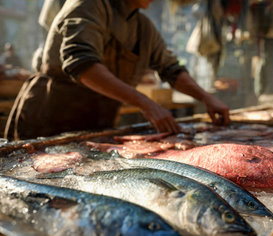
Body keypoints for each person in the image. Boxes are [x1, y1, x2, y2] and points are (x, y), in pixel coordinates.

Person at [5, 0, 229, 140]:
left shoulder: (144, 27)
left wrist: (207, 98)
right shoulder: (89, 4)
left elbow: (172, 68)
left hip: (97, 122)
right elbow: (82, 65)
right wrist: (146, 103)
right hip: (50, 117)